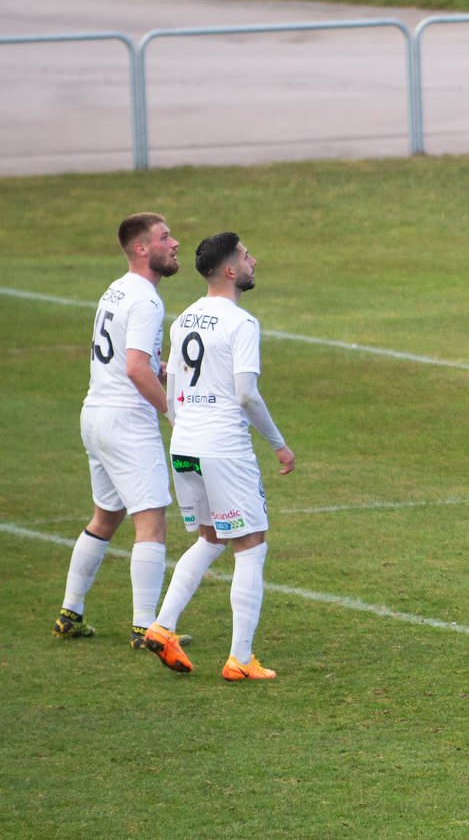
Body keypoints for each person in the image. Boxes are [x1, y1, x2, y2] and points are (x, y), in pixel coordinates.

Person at [138, 233, 296, 679]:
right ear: (229, 270)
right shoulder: (241, 323)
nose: (254, 261)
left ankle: (163, 627)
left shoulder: (184, 316)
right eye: (246, 256)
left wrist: (181, 426)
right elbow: (246, 395)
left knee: (210, 537)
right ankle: (240, 660)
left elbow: (169, 380)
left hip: (184, 444)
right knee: (251, 547)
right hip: (224, 448)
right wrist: (278, 443)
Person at [55, 213, 181, 647]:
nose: (175, 243)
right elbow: (133, 368)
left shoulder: (117, 288)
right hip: (126, 420)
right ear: (142, 248)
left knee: (106, 516)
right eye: (165, 238)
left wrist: (162, 367)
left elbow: (131, 358)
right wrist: (172, 414)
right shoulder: (146, 299)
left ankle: (70, 612)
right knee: (152, 522)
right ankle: (146, 627)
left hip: (96, 415)